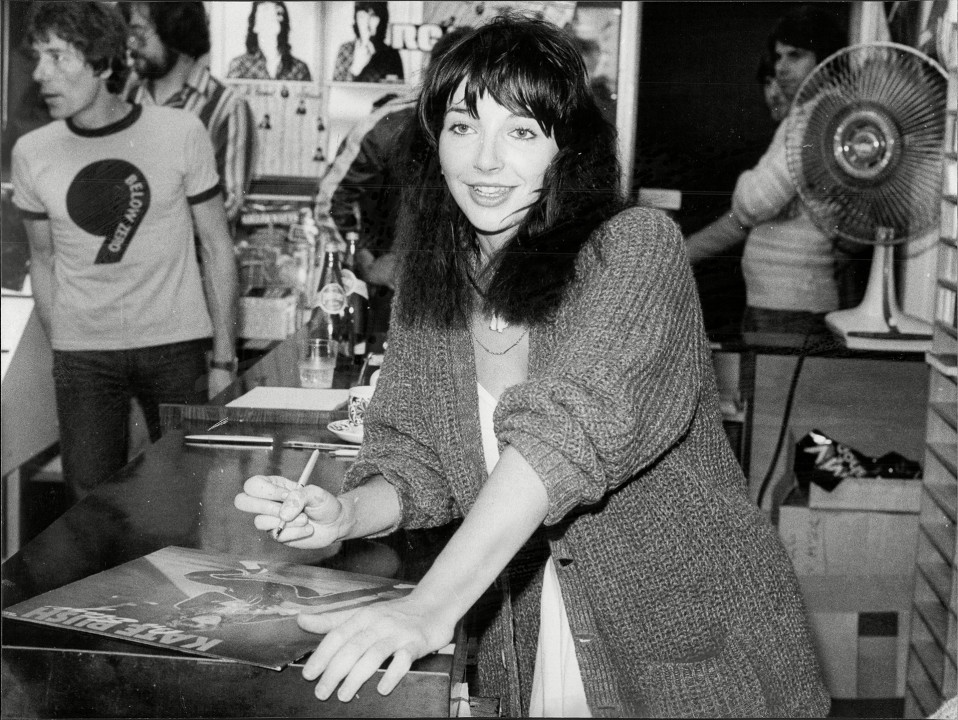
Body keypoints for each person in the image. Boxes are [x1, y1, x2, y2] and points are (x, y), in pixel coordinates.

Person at [235, 15, 828, 717]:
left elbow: (563, 435)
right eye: (462, 127)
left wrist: (430, 607)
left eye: (520, 131)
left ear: (565, 149)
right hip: (535, 634)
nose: (485, 160)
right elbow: (415, 455)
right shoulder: (438, 281)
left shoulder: (635, 250)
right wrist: (345, 514)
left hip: (684, 648)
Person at [12, 1, 238, 501]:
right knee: (91, 504)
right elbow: (43, 259)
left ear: (104, 62)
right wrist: (64, 340)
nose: (40, 73)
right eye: (37, 57)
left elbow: (217, 246)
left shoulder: (180, 132)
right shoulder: (32, 152)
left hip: (175, 346)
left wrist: (224, 357)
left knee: (188, 494)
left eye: (56, 56)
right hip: (84, 355)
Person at [685, 5, 847, 336]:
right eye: (779, 57)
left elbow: (753, 204)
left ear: (826, 60)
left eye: (796, 55)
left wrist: (746, 184)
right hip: (782, 306)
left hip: (790, 309)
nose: (782, 68)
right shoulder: (807, 116)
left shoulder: (820, 117)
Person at [317, 27, 471, 336]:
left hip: (465, 296)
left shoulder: (488, 131)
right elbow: (330, 201)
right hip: (390, 300)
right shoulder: (388, 125)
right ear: (434, 74)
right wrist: (366, 262)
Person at [121, 1, 257, 226]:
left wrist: (147, 224)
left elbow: (229, 204)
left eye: (139, 32)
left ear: (176, 32)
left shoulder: (228, 107)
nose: (131, 44)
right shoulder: (130, 96)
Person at [227, 0, 311, 82]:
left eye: (276, 11)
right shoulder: (240, 66)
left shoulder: (300, 69)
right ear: (254, 26)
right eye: (265, 10)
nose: (271, 14)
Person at [332, 2, 404, 84]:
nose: (367, 24)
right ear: (356, 20)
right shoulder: (345, 50)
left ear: (382, 20)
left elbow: (397, 92)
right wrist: (356, 68)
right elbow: (336, 90)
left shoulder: (392, 55)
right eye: (362, 17)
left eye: (373, 16)